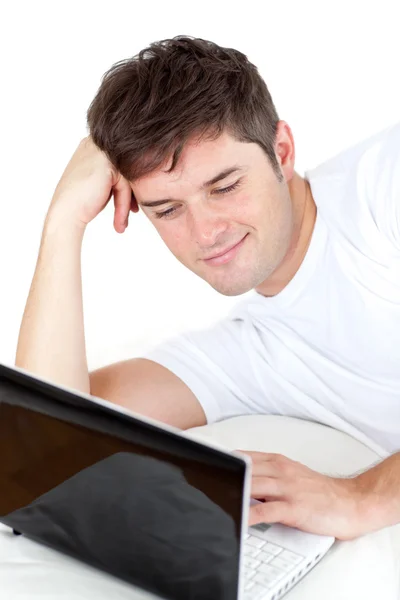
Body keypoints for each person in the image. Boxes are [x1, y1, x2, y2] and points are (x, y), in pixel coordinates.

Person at [15, 36, 400, 542]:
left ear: (280, 151)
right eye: (168, 209)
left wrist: (360, 499)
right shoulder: (243, 355)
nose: (206, 232)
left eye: (224, 186)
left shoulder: (383, 189)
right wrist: (63, 223)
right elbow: (43, 449)